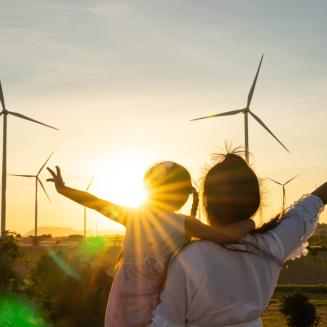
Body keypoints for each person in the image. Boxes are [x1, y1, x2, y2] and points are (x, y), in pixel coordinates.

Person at [47, 161, 255, 327]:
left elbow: (93, 202)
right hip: (159, 305)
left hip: (125, 302)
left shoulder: (133, 216)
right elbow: (223, 236)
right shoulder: (184, 223)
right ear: (182, 195)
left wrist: (63, 189)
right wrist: (250, 222)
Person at [150, 153, 326, 327]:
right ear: (255, 203)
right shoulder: (271, 245)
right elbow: (309, 206)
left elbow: (167, 322)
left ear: (207, 203)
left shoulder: (189, 259)